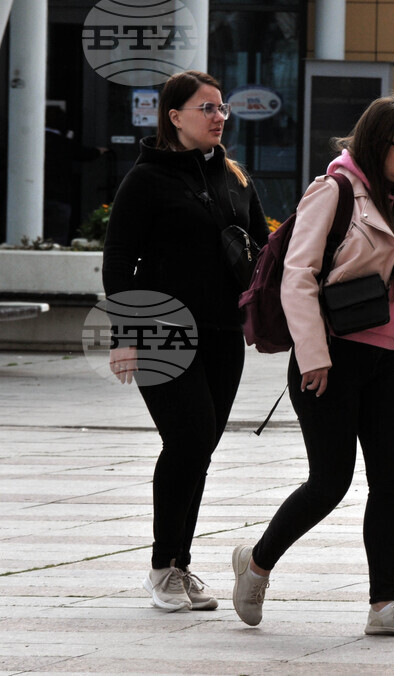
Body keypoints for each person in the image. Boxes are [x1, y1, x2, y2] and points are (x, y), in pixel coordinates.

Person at [230, 92, 394, 637]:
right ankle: (255, 564)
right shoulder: (334, 191)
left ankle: (383, 607)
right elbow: (297, 277)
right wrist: (313, 356)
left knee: (389, 484)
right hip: (329, 359)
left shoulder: (393, 202)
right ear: (377, 143)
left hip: (381, 361)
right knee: (329, 482)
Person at [102, 71, 268, 612]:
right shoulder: (145, 181)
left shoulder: (236, 178)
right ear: (175, 117)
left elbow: (262, 255)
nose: (220, 116)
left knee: (199, 449)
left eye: (222, 108)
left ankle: (180, 565)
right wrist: (126, 335)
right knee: (189, 438)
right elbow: (117, 262)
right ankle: (161, 569)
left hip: (224, 333)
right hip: (160, 331)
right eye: (207, 108)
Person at [44, 104, 108, 245]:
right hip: (59, 197)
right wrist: (99, 151)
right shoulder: (64, 143)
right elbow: (83, 153)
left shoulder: (32, 142)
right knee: (57, 238)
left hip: (36, 198)